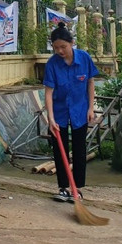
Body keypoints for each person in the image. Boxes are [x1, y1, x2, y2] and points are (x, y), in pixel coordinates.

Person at [44, 22, 99, 203]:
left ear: (72, 43)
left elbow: (90, 83)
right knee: (60, 152)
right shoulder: (52, 64)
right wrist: (50, 118)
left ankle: (78, 189)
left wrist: (91, 108)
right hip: (59, 112)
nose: (60, 51)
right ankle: (64, 188)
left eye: (63, 47)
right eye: (56, 48)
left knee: (79, 150)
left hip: (80, 110)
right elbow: (49, 93)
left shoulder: (84, 58)